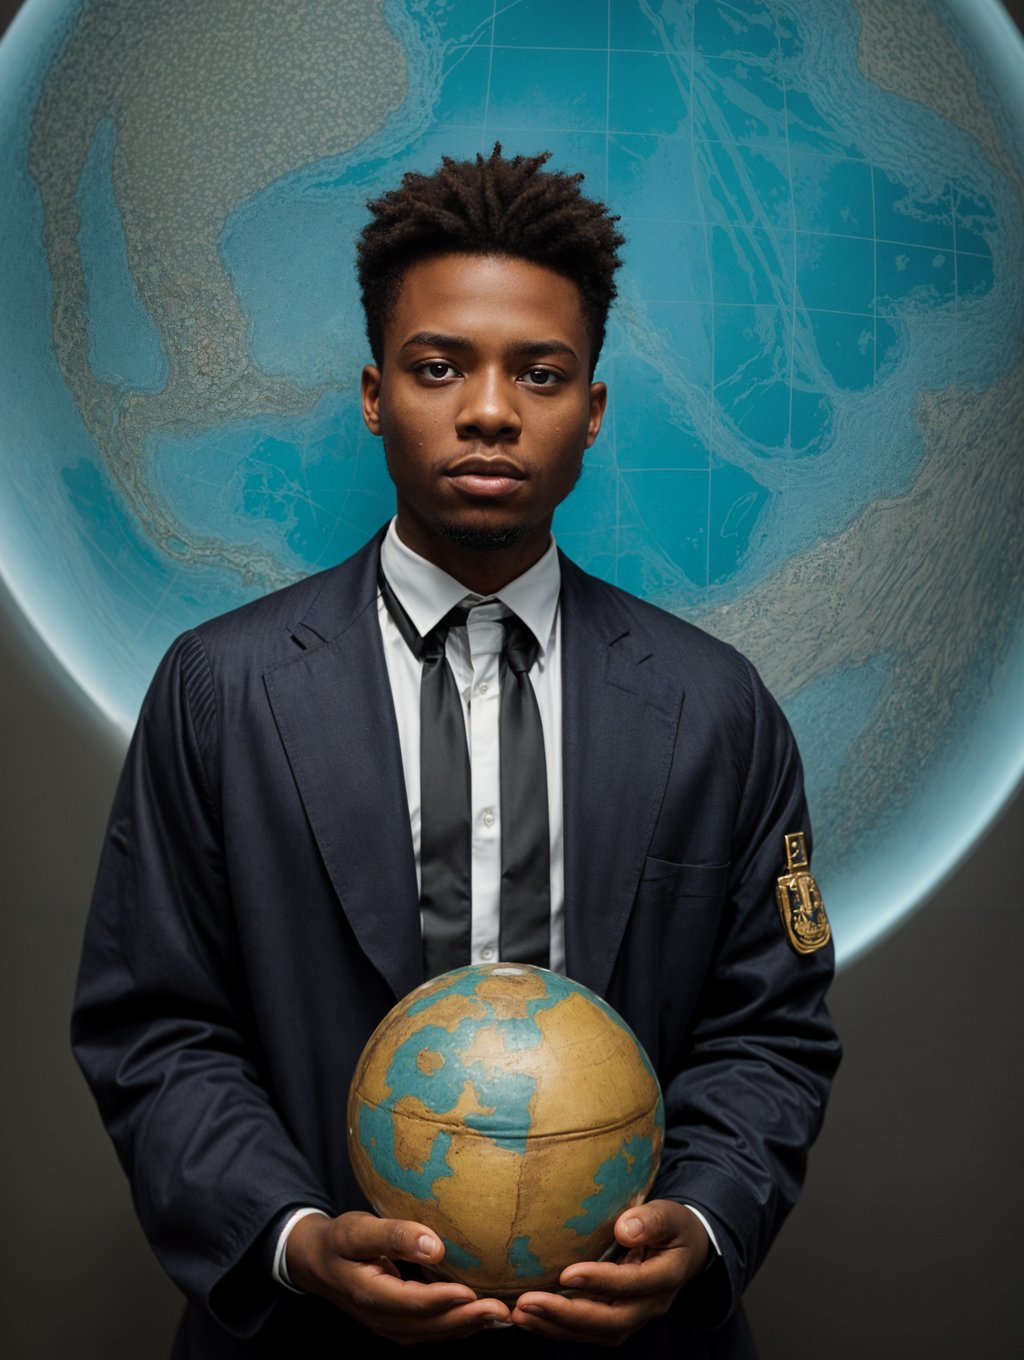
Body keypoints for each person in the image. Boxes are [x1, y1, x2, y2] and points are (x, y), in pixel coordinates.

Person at [72, 146, 840, 1358]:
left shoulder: (716, 708)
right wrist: (290, 1237)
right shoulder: (219, 689)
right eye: (441, 367)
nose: (490, 408)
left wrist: (699, 1222)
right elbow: (157, 1024)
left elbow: (771, 1028)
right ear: (376, 393)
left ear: (590, 409)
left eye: (540, 373)